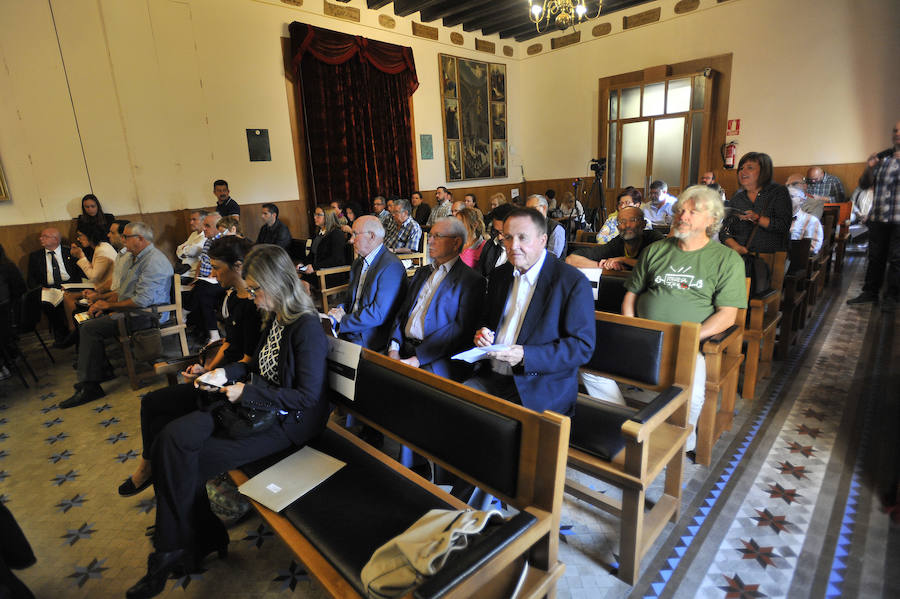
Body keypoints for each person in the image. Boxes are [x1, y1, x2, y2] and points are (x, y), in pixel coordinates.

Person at [124, 245, 330, 599]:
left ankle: (178, 547)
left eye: (256, 289)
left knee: (182, 461)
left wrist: (244, 393)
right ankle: (194, 539)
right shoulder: (275, 317)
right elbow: (252, 367)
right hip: (251, 410)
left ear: (278, 284)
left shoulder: (305, 327)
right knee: (170, 440)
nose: (252, 296)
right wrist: (223, 372)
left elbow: (308, 398)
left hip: (284, 423)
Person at [119, 235, 262, 499]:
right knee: (153, 406)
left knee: (162, 414)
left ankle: (156, 474)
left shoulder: (256, 305)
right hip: (221, 374)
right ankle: (150, 468)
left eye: (218, 268)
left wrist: (213, 375)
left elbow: (247, 360)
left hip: (235, 383)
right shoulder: (231, 296)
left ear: (239, 266)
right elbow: (228, 342)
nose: (214, 273)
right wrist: (205, 366)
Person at [616, 186, 746, 454]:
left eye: (692, 211)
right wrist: (632, 329)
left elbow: (727, 315)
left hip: (689, 344)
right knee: (589, 368)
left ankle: (676, 444)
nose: (682, 216)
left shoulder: (727, 259)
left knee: (694, 395)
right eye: (680, 211)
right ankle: (626, 425)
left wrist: (690, 336)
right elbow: (631, 296)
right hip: (644, 337)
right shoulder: (655, 250)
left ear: (712, 219)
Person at [464, 207, 595, 416]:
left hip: (539, 385)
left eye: (522, 238)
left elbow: (582, 347)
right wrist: (483, 333)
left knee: (488, 425)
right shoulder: (500, 275)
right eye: (507, 237)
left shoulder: (571, 282)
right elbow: (487, 319)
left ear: (543, 240)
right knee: (453, 407)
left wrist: (527, 355)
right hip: (492, 375)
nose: (513, 246)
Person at [61, 222, 173, 409]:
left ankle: (91, 385)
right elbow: (123, 291)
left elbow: (141, 301)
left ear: (140, 239)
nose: (123, 240)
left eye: (126, 237)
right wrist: (101, 299)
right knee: (86, 319)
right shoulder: (134, 257)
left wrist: (109, 304)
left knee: (90, 327)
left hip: (146, 316)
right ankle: (99, 371)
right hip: (134, 311)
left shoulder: (153, 261)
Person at [388, 217, 485, 380]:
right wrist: (393, 348)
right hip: (404, 347)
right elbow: (403, 312)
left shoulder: (471, 281)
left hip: (438, 357)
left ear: (456, 243)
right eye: (430, 236)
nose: (429, 241)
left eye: (436, 236)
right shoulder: (422, 272)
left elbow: (459, 330)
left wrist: (418, 359)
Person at [327, 216, 407, 350]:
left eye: (355, 234)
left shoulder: (391, 266)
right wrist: (336, 313)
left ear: (371, 236)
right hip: (351, 328)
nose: (351, 240)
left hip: (369, 336)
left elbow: (378, 315)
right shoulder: (358, 263)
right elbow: (350, 301)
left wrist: (343, 320)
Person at [847, 120, 900, 310]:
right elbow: (864, 184)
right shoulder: (883, 158)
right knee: (875, 257)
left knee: (896, 259)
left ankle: (892, 298)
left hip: (899, 220)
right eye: (895, 130)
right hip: (878, 217)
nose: (897, 133)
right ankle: (870, 292)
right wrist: (869, 167)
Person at [56, 222, 118, 347]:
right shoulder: (100, 248)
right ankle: (74, 333)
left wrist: (80, 256)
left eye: (80, 235)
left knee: (71, 299)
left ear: (90, 235)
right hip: (102, 287)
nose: (78, 239)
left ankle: (76, 334)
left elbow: (93, 276)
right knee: (68, 296)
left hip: (109, 290)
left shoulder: (103, 250)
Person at [721, 152, 792, 254]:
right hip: (741, 258)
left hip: (772, 259)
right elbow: (724, 231)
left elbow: (784, 225)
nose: (743, 171)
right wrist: (736, 247)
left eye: (750, 168)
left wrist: (757, 218)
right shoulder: (737, 198)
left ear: (764, 171)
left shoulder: (778, 192)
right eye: (741, 168)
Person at [26, 228, 83, 343]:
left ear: (56, 239)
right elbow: (31, 279)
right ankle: (61, 334)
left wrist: (72, 286)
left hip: (69, 286)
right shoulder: (35, 256)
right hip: (48, 288)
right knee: (48, 303)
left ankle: (76, 331)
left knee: (71, 300)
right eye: (41, 236)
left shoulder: (70, 252)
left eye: (45, 236)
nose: (41, 239)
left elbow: (79, 273)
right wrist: (40, 288)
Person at [566, 207, 665, 270]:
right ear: (618, 227)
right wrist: (603, 265)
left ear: (643, 224)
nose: (627, 225)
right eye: (622, 221)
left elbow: (659, 265)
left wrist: (623, 260)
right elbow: (571, 260)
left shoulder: (654, 238)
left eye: (633, 220)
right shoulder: (616, 243)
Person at [185, 213, 226, 345]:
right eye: (204, 225)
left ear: (218, 228)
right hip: (206, 280)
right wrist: (197, 277)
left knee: (203, 292)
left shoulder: (223, 242)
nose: (203, 229)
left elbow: (224, 267)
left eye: (207, 226)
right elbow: (201, 262)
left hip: (220, 281)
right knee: (202, 292)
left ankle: (186, 312)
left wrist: (213, 274)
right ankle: (211, 333)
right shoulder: (208, 240)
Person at [298, 207, 350, 288]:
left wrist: (314, 267)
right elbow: (312, 254)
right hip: (318, 270)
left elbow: (337, 259)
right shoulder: (318, 233)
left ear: (328, 217)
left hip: (331, 273)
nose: (315, 217)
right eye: (315, 214)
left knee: (303, 283)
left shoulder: (336, 234)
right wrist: (302, 264)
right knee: (295, 280)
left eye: (318, 215)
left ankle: (307, 300)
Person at [477, 203, 514, 280]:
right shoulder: (490, 245)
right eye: (496, 231)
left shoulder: (522, 252)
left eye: (503, 233)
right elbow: (480, 274)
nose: (499, 237)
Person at [176, 210, 208, 278]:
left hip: (193, 274)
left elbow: (193, 251)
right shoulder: (193, 234)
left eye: (194, 220)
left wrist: (184, 249)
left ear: (204, 221)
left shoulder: (206, 235)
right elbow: (178, 251)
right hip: (183, 270)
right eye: (190, 220)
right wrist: (186, 249)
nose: (191, 222)